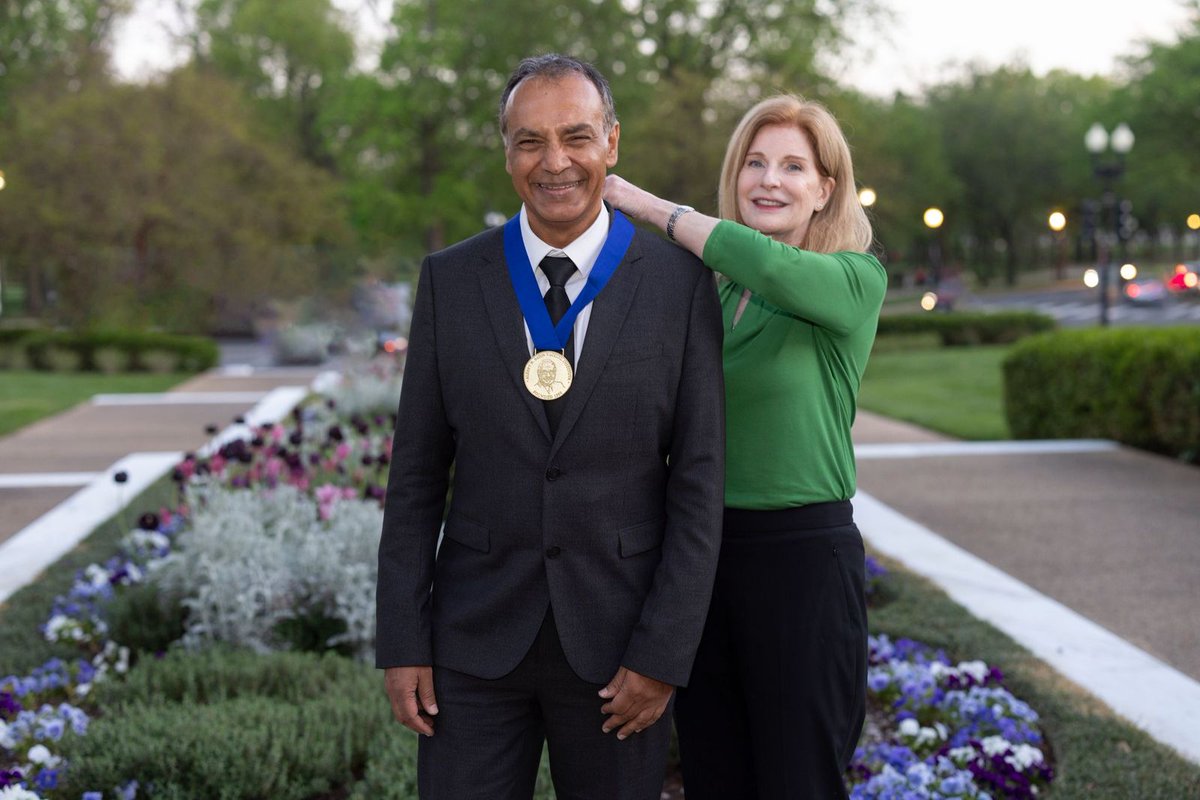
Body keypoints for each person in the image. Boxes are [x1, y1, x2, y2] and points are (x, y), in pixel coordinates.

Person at [375, 54, 725, 800]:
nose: (555, 162)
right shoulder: (451, 279)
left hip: (620, 650)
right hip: (471, 646)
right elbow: (414, 479)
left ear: (612, 143)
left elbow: (699, 483)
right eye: (529, 141)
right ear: (506, 154)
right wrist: (401, 640)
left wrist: (663, 653)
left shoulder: (679, 286)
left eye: (576, 137)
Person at [604, 94, 887, 799]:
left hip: (801, 562)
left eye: (794, 166)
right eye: (755, 162)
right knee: (713, 774)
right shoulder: (706, 289)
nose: (769, 179)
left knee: (798, 780)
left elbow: (775, 269)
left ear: (826, 189)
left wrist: (645, 204)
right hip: (701, 557)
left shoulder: (853, 280)